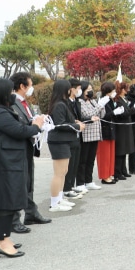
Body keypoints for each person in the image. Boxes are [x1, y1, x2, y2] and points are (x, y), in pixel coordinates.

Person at [0, 78, 45, 259]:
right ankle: (2, 241)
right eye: (9, 92)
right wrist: (36, 125)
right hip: (0, 161)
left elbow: (17, 128)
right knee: (4, 200)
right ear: (1, 93)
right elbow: (19, 131)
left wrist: (31, 126)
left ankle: (1, 237)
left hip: (4, 159)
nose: (11, 95)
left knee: (5, 199)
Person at [9, 72, 51, 232]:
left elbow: (29, 119)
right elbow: (19, 125)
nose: (32, 88)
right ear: (22, 86)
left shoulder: (25, 102)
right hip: (18, 147)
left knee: (28, 181)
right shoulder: (12, 103)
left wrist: (40, 120)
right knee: (19, 183)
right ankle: (14, 219)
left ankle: (31, 213)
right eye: (30, 84)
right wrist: (34, 124)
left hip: (28, 145)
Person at [47, 79, 86, 211]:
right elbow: (60, 124)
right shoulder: (59, 104)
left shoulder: (63, 104)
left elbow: (64, 119)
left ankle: (60, 198)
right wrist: (76, 126)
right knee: (59, 173)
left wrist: (74, 121)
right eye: (70, 88)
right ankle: (54, 203)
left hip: (64, 141)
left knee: (63, 172)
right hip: (58, 141)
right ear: (66, 89)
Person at [77, 81, 110, 191]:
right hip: (86, 134)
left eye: (91, 89)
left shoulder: (92, 101)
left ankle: (89, 181)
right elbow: (87, 115)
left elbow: (101, 115)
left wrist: (102, 105)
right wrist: (99, 106)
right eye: (88, 89)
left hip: (95, 133)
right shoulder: (80, 102)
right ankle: (80, 182)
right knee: (83, 160)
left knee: (91, 159)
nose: (90, 91)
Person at [62, 78, 84, 200]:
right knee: (69, 165)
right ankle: (66, 188)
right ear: (71, 89)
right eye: (78, 89)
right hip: (69, 136)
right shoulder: (65, 103)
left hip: (77, 134)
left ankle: (71, 185)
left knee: (75, 162)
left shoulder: (76, 102)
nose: (79, 91)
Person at [113, 81, 135, 180]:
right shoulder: (117, 100)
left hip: (126, 127)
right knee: (120, 150)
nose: (128, 90)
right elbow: (122, 114)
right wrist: (133, 109)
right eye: (126, 88)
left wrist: (133, 109)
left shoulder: (124, 99)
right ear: (122, 90)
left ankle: (123, 170)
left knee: (125, 149)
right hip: (121, 128)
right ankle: (118, 171)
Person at [97, 82, 118, 184]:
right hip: (104, 130)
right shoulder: (102, 101)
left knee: (110, 154)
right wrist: (114, 112)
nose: (115, 92)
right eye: (113, 91)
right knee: (104, 155)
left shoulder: (110, 100)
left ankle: (110, 173)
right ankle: (104, 176)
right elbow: (103, 116)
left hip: (111, 129)